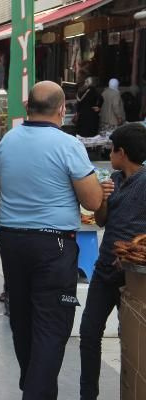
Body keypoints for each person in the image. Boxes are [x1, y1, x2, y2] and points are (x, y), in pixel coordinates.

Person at [0, 81, 103, 400]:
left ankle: (35, 387)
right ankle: (37, 393)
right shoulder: (67, 145)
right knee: (52, 326)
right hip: (52, 245)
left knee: (23, 321)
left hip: (12, 242)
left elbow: (2, 178)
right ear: (62, 110)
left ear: (28, 107)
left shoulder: (8, 141)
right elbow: (93, 201)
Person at [79, 123, 146, 400]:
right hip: (105, 268)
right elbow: (102, 221)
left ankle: (131, 389)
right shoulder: (114, 181)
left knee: (130, 337)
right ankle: (88, 395)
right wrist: (103, 200)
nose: (109, 155)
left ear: (122, 152)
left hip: (131, 275)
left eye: (112, 150)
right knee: (89, 332)